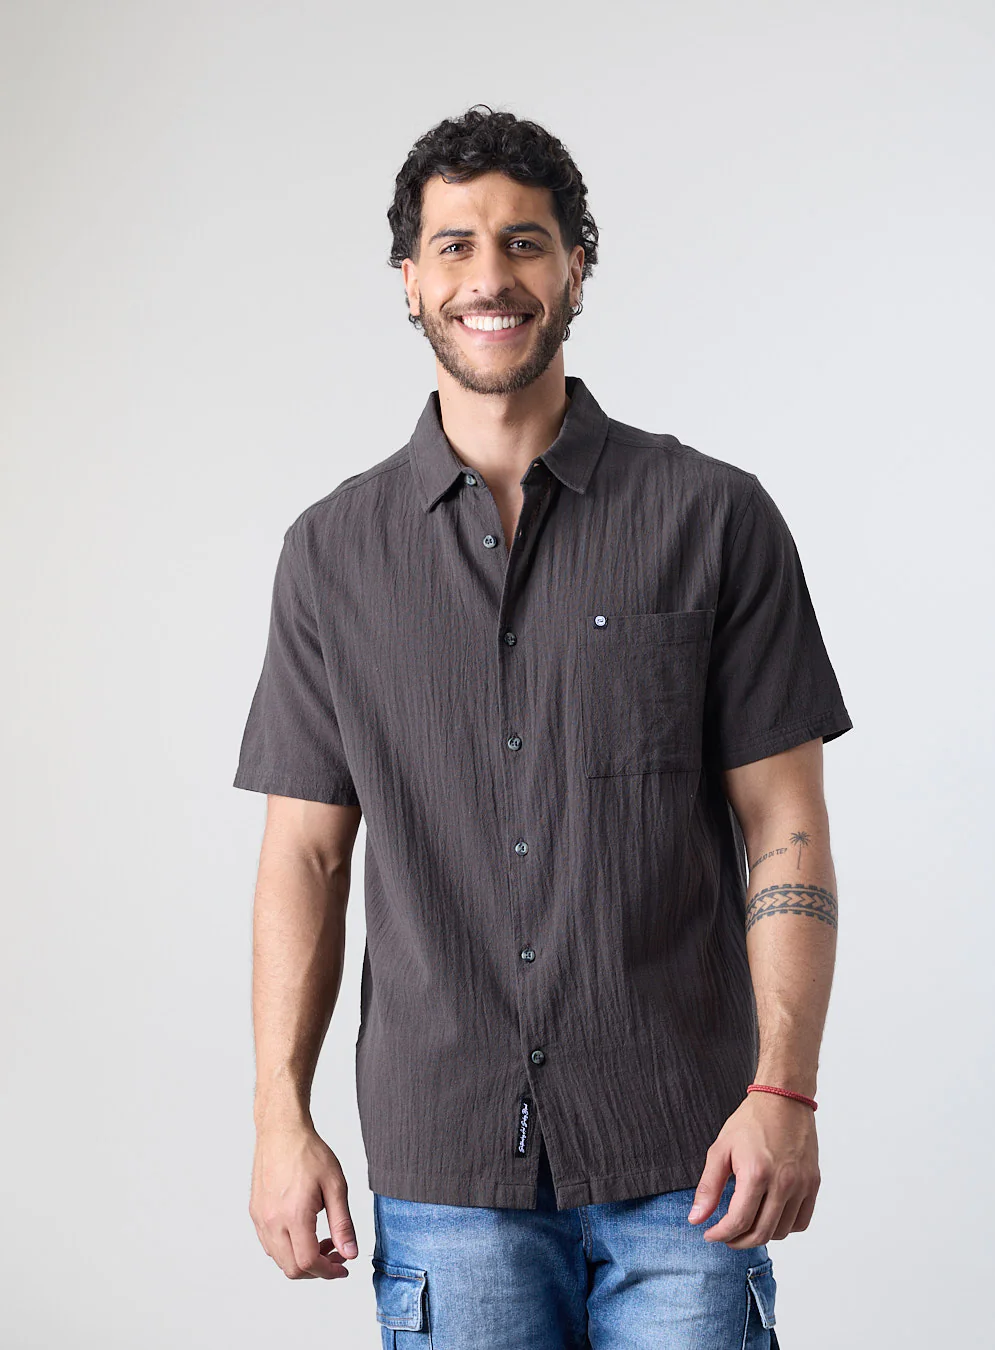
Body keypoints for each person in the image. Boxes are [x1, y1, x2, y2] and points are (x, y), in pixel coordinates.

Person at [233, 103, 852, 1349]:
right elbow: (305, 855)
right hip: (448, 1165)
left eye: (524, 242)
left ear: (576, 266)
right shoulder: (331, 555)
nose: (490, 277)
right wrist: (278, 1119)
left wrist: (785, 1090)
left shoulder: (713, 519)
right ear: (409, 281)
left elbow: (786, 825)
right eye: (454, 246)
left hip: (693, 1160)